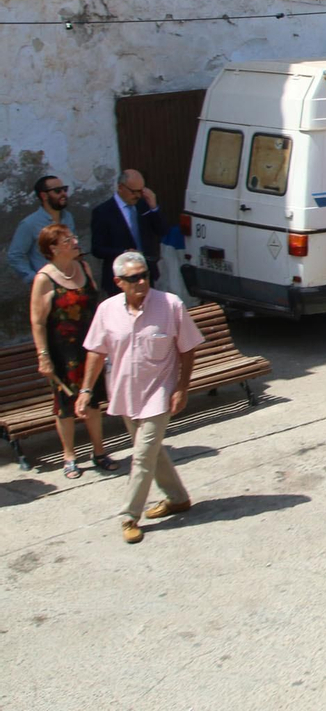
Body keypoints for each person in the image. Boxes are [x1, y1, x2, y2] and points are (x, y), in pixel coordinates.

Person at [77, 252, 203, 545]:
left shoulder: (170, 305)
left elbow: (187, 349)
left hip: (159, 394)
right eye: (134, 278)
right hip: (124, 393)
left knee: (142, 456)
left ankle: (129, 516)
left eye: (145, 275)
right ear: (119, 282)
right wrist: (85, 390)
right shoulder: (107, 310)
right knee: (153, 451)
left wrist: (182, 387)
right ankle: (178, 498)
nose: (142, 282)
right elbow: (96, 351)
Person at [29, 224, 112, 479]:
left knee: (94, 399)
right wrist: (43, 356)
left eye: (73, 237)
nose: (75, 242)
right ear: (53, 248)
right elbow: (38, 321)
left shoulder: (83, 268)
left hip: (89, 347)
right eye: (68, 239)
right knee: (66, 405)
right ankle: (69, 456)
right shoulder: (44, 278)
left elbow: (96, 305)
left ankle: (99, 452)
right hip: (62, 352)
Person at [89, 169, 163, 295]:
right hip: (121, 279)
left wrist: (154, 207)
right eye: (134, 191)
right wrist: (124, 253)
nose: (138, 195)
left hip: (145, 274)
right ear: (120, 187)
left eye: (141, 191)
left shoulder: (143, 205)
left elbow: (161, 230)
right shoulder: (103, 212)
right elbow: (97, 249)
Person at [10, 175, 75, 280]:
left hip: (71, 277)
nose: (63, 194)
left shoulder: (68, 217)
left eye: (65, 189)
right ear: (44, 196)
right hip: (49, 284)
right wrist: (34, 278)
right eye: (58, 191)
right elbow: (15, 256)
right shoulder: (29, 223)